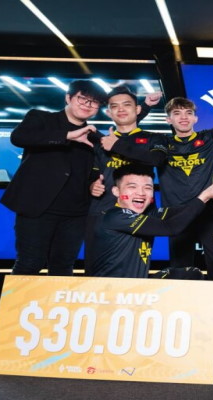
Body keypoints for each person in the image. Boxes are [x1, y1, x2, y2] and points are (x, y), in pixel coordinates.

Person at [157, 73, 213, 331]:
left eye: (188, 113)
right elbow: (130, 135)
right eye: (177, 113)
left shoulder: (209, 138)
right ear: (169, 119)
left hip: (210, 212)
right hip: (177, 214)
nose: (183, 117)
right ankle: (183, 311)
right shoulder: (161, 143)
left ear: (196, 118)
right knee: (180, 266)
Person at [1, 80, 107, 276]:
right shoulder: (41, 118)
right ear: (68, 98)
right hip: (38, 209)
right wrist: (67, 135)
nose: (87, 105)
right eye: (82, 99)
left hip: (76, 213)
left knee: (63, 268)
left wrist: (93, 185)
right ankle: (18, 299)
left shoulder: (95, 137)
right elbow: (19, 137)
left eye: (94, 102)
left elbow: (93, 172)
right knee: (29, 264)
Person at [88, 164, 213, 278]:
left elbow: (179, 212)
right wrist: (204, 196)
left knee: (190, 275)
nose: (141, 193)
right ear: (116, 191)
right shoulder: (115, 216)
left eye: (147, 188)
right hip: (110, 293)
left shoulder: (148, 213)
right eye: (132, 187)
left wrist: (209, 196)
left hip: (136, 290)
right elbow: (171, 228)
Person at [84, 86, 166, 273]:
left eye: (126, 105)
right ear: (109, 113)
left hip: (139, 212)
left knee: (135, 268)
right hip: (101, 212)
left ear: (138, 109)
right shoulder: (99, 142)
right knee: (94, 270)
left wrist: (117, 145)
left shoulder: (154, 138)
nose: (120, 109)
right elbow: (92, 173)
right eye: (114, 106)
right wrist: (92, 185)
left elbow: (156, 160)